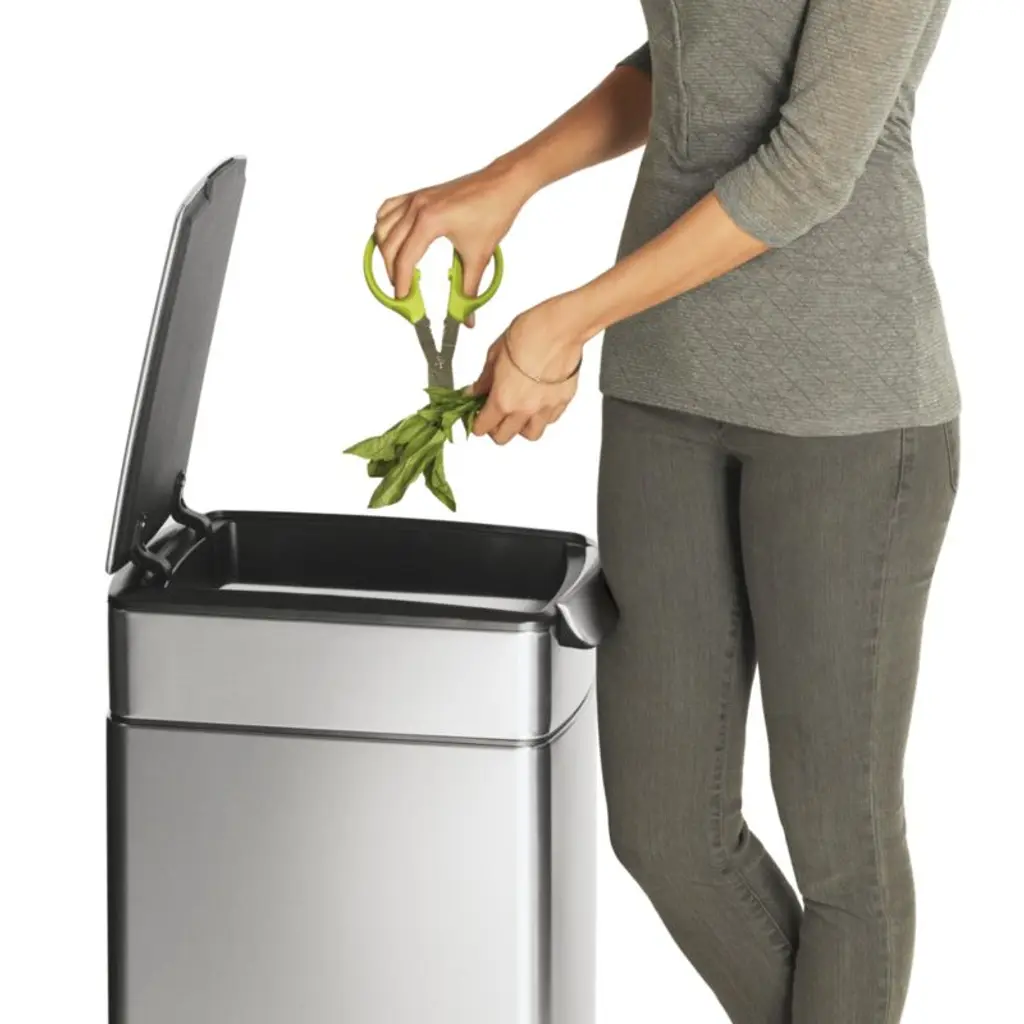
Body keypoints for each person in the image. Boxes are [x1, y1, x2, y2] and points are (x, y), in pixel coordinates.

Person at [373, 1, 959, 1020]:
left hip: (846, 409)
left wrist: (570, 319)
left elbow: (812, 163)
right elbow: (693, 58)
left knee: (840, 846)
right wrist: (510, 179)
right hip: (663, 388)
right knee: (663, 829)